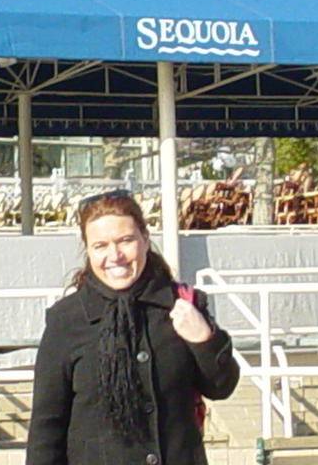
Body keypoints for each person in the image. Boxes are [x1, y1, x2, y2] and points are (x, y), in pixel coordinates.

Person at [26, 189, 240, 465]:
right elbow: (47, 425)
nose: (115, 255)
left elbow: (222, 387)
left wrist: (204, 339)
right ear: (88, 251)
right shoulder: (67, 320)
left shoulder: (183, 305)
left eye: (125, 240)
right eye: (100, 245)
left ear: (145, 239)